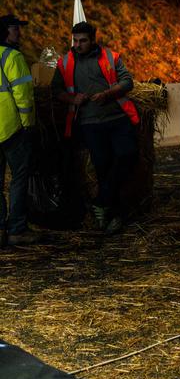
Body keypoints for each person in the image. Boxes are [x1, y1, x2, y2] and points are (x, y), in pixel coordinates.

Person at [52, 21, 138, 234]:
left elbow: (128, 82)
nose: (78, 45)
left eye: (83, 41)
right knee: (102, 166)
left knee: (128, 155)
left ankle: (101, 202)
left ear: (93, 40)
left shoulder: (110, 57)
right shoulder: (64, 62)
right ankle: (111, 216)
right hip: (90, 123)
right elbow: (55, 90)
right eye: (75, 40)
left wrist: (108, 94)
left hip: (117, 118)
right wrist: (72, 98)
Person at [0, 15, 38, 246]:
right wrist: (28, 124)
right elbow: (23, 95)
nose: (19, 33)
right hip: (11, 128)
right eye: (15, 29)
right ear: (5, 31)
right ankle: (16, 230)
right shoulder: (12, 56)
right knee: (19, 179)